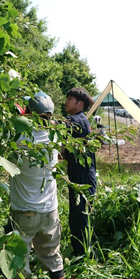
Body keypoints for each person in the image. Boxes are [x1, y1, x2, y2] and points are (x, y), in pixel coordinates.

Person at [8, 92, 65, 279]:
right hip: (50, 211)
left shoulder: (20, 137)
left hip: (24, 211)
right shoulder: (55, 138)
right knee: (52, 255)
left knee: (20, 259)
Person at [63, 87, 97, 258]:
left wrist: (42, 119)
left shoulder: (78, 120)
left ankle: (85, 258)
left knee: (80, 220)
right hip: (79, 177)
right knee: (77, 219)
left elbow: (59, 125)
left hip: (83, 179)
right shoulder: (79, 121)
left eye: (70, 98)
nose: (66, 102)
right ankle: (81, 254)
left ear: (80, 103)